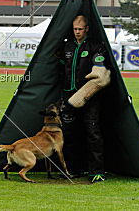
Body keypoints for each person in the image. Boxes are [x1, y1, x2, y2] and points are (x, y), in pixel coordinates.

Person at [57, 15, 110, 183]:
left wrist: (98, 70)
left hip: (90, 97)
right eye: (75, 29)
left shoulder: (96, 46)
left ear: (87, 29)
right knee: (69, 133)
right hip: (69, 95)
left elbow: (100, 68)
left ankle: (96, 171)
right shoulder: (67, 46)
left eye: (80, 29)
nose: (77, 32)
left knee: (92, 132)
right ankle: (72, 169)